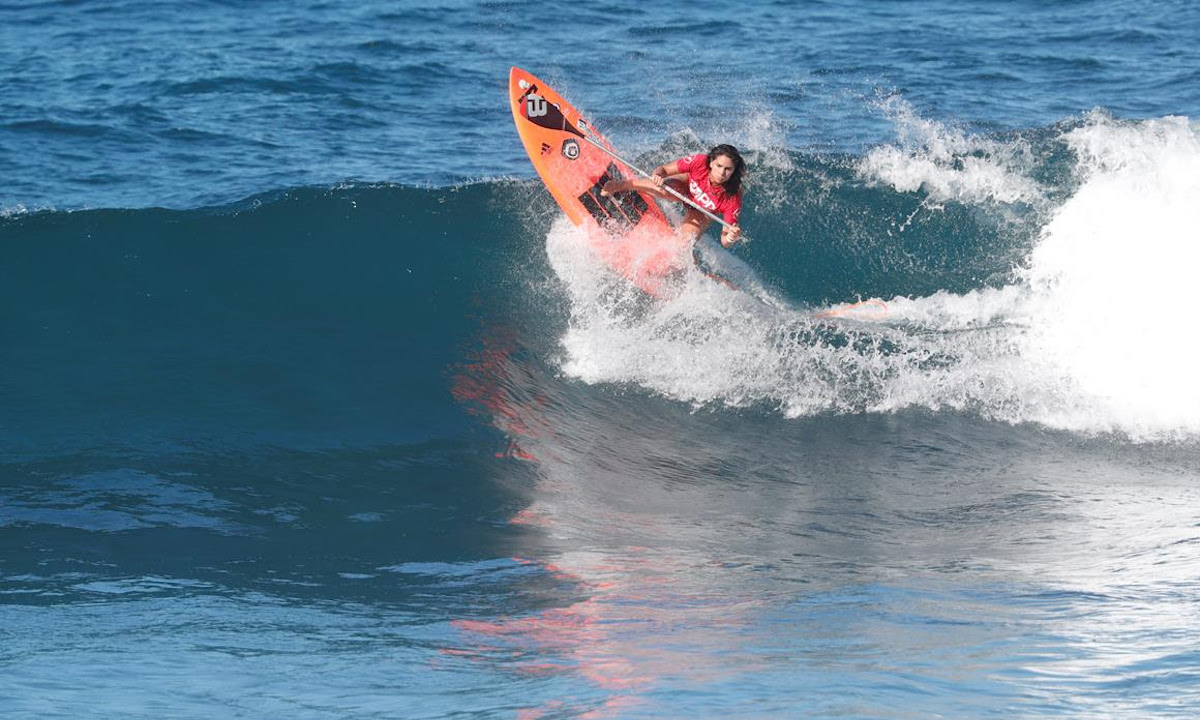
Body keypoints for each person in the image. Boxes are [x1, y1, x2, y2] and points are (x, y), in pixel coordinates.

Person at [601, 144, 746, 248]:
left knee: (684, 244)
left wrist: (731, 237)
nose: (722, 173)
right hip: (685, 185)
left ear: (734, 171)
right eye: (719, 166)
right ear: (712, 162)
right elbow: (664, 169)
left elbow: (724, 241)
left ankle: (690, 261)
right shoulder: (700, 162)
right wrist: (658, 175)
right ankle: (622, 185)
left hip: (700, 211)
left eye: (728, 169)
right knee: (663, 188)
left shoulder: (733, 196)